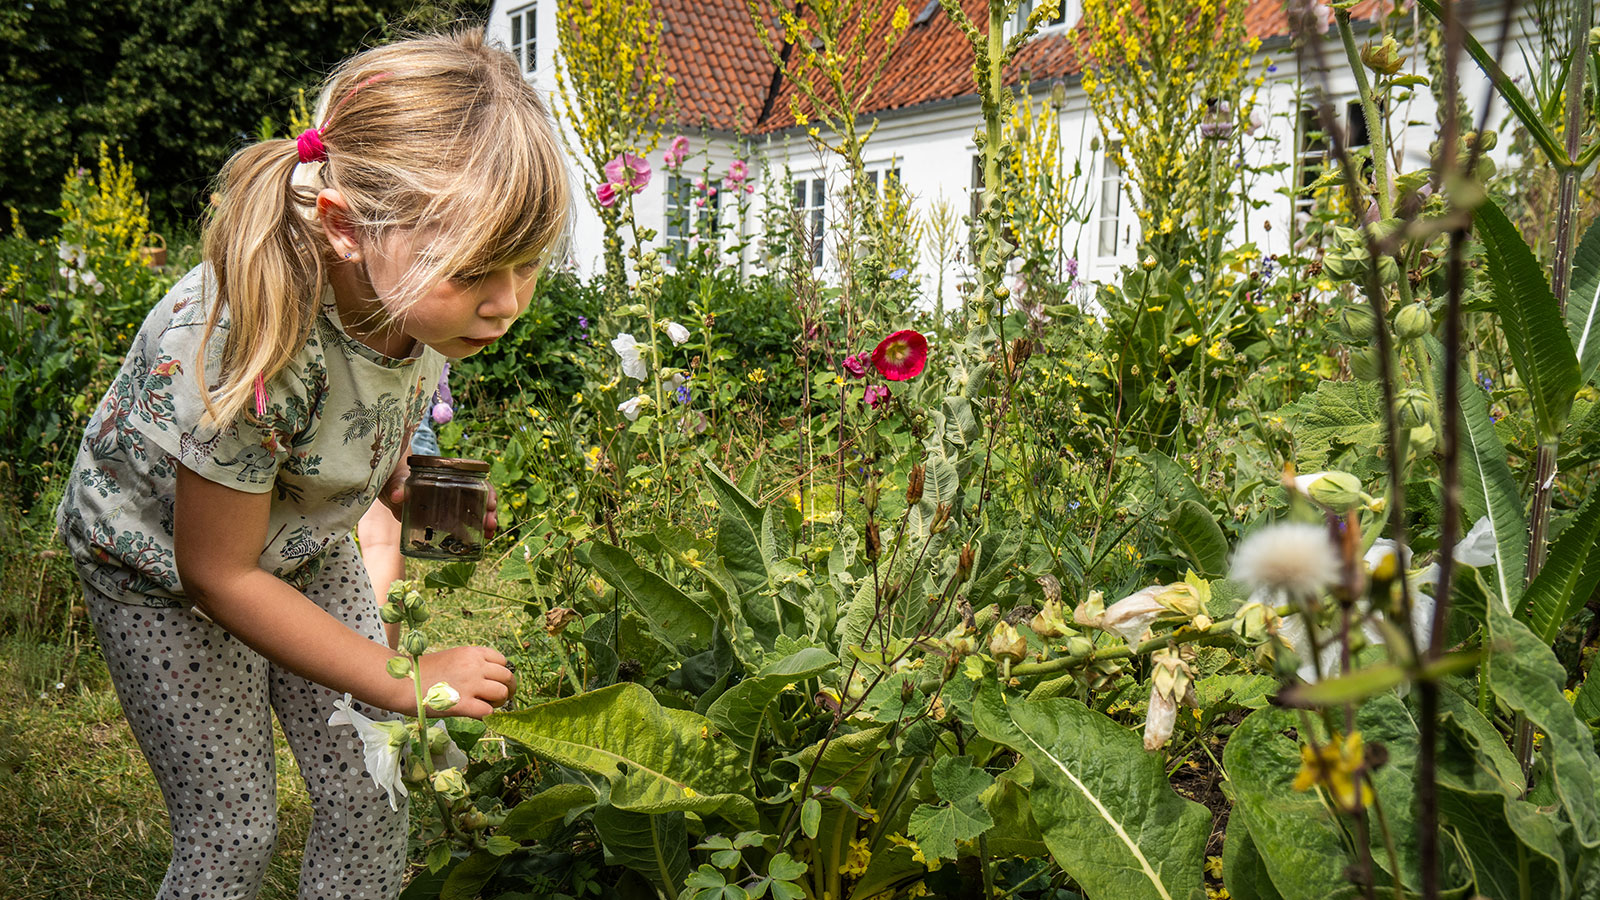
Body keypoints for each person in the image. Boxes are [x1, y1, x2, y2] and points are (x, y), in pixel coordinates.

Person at [53, 30, 570, 899]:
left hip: (298, 543)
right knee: (234, 826)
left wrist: (403, 479)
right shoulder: (250, 340)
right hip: (158, 570)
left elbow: (367, 409)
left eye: (527, 264)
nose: (508, 302)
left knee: (372, 786)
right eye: (479, 269)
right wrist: (405, 677)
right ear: (343, 229)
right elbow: (215, 573)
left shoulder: (418, 298)